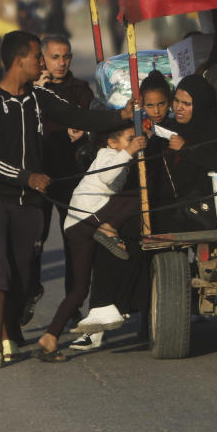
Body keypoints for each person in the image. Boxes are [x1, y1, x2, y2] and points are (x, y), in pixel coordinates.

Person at [0, 30, 135, 369]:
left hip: (30, 204)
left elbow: (79, 117)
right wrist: (28, 176)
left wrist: (121, 116)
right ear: (19, 61)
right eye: (38, 56)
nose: (43, 62)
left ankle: (11, 331)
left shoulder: (39, 97)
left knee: (24, 277)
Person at [74, 70, 174, 350]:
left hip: (162, 206)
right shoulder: (132, 128)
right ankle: (95, 327)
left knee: (151, 261)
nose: (156, 111)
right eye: (150, 105)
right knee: (108, 256)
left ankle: (150, 319)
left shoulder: (173, 130)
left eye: (161, 105)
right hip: (128, 205)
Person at [36, 124, 147, 362]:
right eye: (129, 139)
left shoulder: (122, 160)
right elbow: (108, 176)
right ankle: (109, 228)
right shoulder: (107, 156)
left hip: (77, 227)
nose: (134, 142)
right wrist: (130, 152)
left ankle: (50, 336)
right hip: (88, 217)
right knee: (139, 196)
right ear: (112, 142)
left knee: (79, 290)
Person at [24, 34, 95, 326]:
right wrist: (36, 89)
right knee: (32, 241)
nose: (61, 63)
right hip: (38, 176)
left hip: (70, 176)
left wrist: (84, 131)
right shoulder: (30, 90)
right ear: (43, 59)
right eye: (55, 57)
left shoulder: (79, 90)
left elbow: (95, 120)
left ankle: (73, 301)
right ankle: (29, 293)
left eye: (66, 57)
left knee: (73, 240)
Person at [157, 74, 217, 232]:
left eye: (186, 103)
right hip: (173, 208)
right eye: (176, 101)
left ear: (201, 104)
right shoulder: (172, 128)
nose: (178, 108)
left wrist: (186, 150)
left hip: (210, 210)